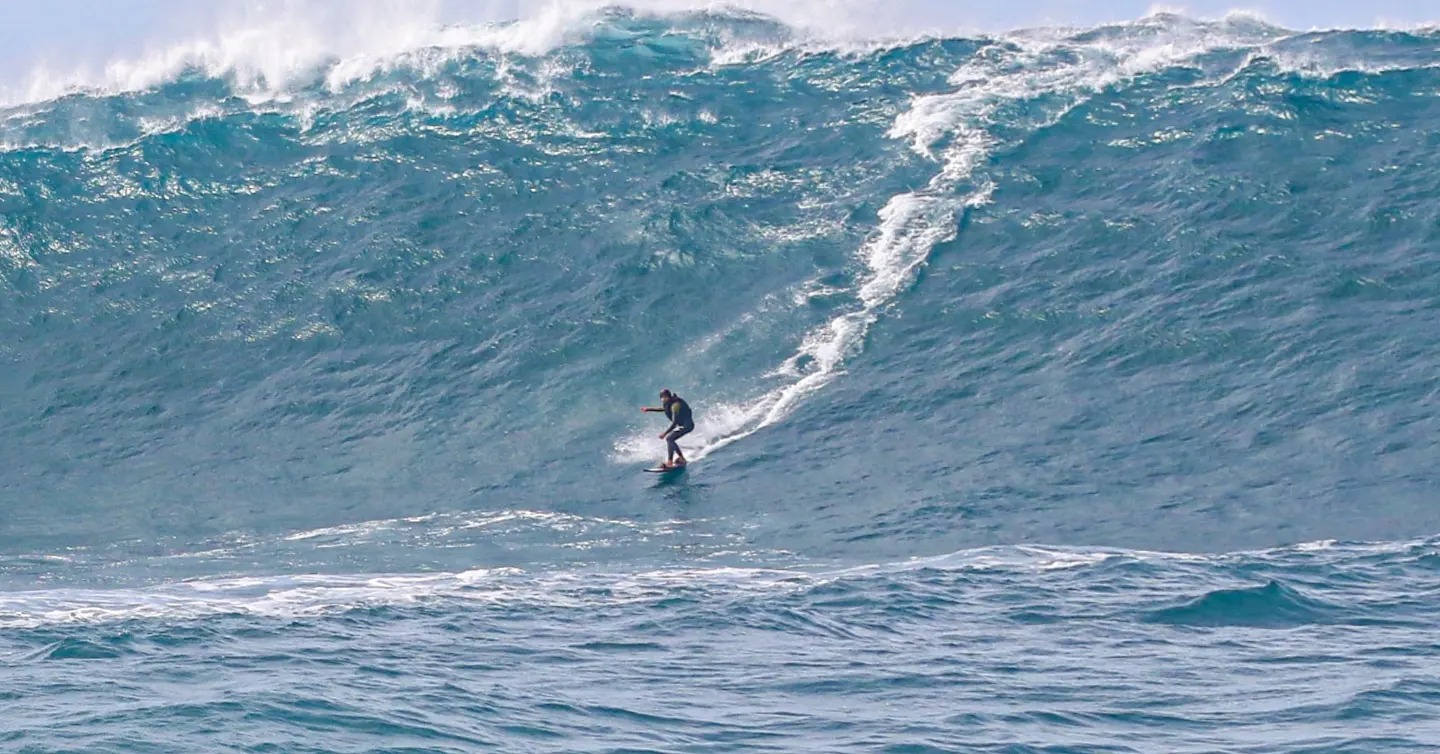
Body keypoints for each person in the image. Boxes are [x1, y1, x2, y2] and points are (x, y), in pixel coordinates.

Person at [640, 389, 694, 468]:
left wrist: (664, 433)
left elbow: (675, 422)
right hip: (683, 425)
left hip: (688, 426)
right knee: (670, 439)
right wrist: (648, 409)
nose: (662, 400)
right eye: (661, 398)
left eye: (663, 397)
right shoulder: (669, 402)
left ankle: (675, 460)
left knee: (669, 438)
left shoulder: (676, 406)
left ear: (667, 397)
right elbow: (664, 409)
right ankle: (674, 460)